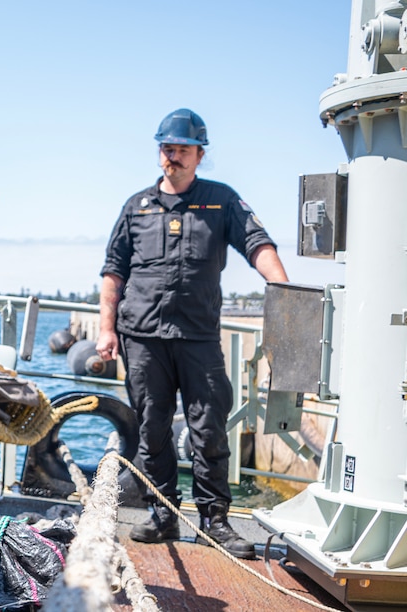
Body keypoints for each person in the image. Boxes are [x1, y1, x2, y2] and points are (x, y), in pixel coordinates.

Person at [95, 109, 289, 559]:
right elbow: (112, 273)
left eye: (183, 149)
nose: (174, 157)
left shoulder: (221, 201)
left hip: (198, 337)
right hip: (141, 336)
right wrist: (106, 329)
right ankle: (162, 515)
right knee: (151, 429)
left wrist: (283, 291)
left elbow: (257, 244)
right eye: (167, 149)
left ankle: (215, 522)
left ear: (200, 155)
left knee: (208, 429)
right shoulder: (136, 207)